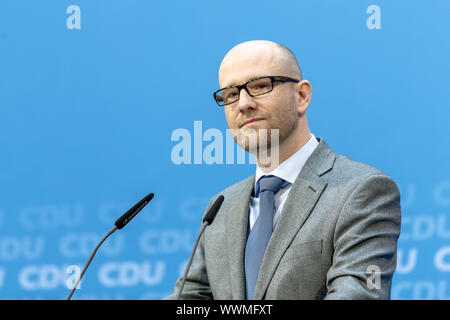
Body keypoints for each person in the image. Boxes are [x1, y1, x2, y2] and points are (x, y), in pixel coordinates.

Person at [166, 40, 401, 300]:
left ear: (301, 96)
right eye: (231, 94)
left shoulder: (361, 190)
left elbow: (358, 296)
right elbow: (189, 299)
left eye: (260, 86)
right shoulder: (221, 207)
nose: (243, 103)